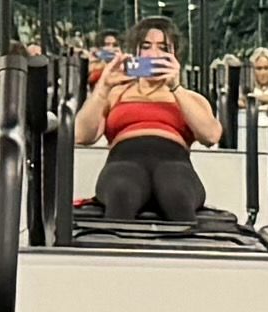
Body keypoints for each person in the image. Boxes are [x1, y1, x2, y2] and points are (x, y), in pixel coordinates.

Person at [77, 21, 212, 226]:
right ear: (136, 52)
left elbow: (211, 136)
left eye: (163, 48)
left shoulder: (191, 98)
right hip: (123, 161)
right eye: (146, 46)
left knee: (175, 193)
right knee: (122, 192)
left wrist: (175, 87)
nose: (154, 54)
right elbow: (81, 135)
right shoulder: (116, 93)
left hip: (175, 163)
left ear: (175, 56)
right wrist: (103, 88)